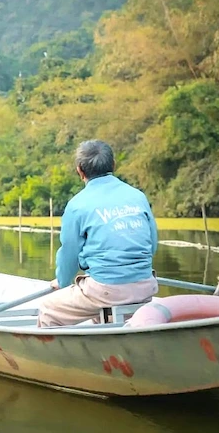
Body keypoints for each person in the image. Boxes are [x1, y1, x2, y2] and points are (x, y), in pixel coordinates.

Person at [36, 139, 159, 328]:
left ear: (80, 171)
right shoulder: (137, 196)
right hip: (146, 286)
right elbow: (152, 245)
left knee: (47, 308)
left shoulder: (77, 205)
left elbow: (69, 254)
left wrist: (62, 281)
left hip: (106, 290)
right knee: (99, 306)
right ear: (113, 165)